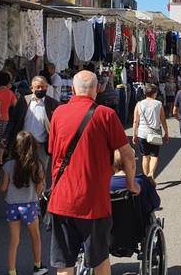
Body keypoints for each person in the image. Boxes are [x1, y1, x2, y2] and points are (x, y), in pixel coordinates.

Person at [48, 71, 139, 275]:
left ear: (72, 89)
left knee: (64, 264)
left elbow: (54, 153)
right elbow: (127, 154)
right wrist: (131, 183)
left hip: (61, 199)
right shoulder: (105, 115)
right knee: (99, 260)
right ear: (98, 89)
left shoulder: (58, 114)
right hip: (93, 202)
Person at [0, 131, 48, 275]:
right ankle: (38, 266)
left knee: (14, 240)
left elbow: (3, 188)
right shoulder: (37, 165)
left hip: (12, 206)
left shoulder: (9, 165)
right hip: (29, 205)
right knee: (35, 236)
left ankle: (12, 271)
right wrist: (34, 196)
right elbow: (39, 187)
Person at [5, 76, 59, 168]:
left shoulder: (53, 104)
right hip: (23, 144)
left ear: (47, 87)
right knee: (21, 171)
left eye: (43, 87)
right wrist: (6, 137)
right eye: (38, 87)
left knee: (40, 174)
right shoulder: (23, 101)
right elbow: (14, 120)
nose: (41, 89)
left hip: (41, 146)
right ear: (31, 88)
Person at [132, 84, 169, 184]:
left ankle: (146, 176)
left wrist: (134, 134)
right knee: (154, 156)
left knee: (145, 156)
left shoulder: (139, 104)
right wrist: (166, 132)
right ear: (154, 93)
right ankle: (151, 174)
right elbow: (163, 119)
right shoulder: (158, 104)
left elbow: (136, 121)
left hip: (142, 133)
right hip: (154, 133)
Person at [110, 149, 161, 220]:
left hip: (112, 226)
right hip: (139, 225)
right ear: (132, 163)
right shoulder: (141, 181)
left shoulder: (106, 184)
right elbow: (156, 203)